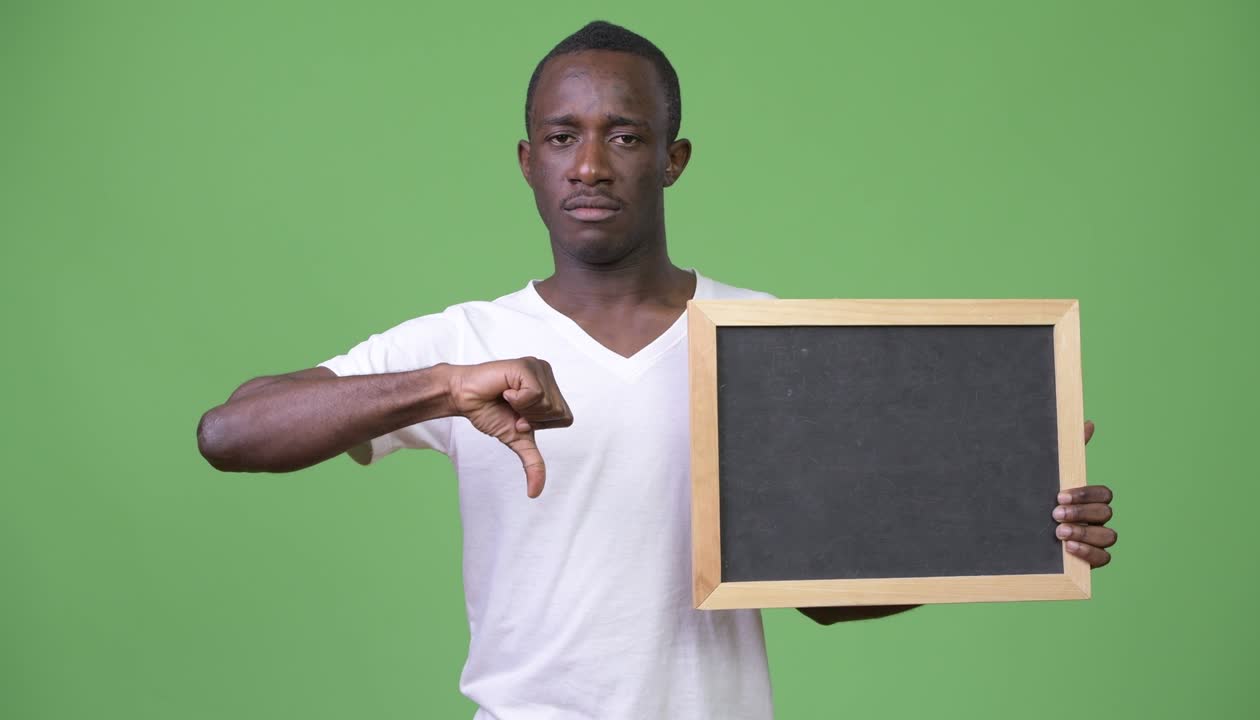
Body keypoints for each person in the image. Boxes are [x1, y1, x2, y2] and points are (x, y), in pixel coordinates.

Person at [197, 20, 1118, 719]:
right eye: (562, 137)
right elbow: (230, 432)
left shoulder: (762, 338)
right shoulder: (467, 340)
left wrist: (1009, 517)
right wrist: (443, 385)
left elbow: (828, 601)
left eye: (624, 136)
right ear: (527, 162)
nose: (589, 165)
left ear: (673, 159)